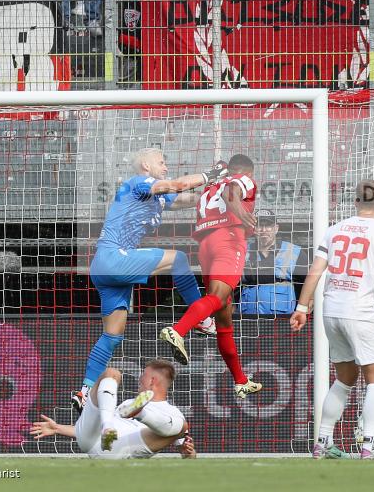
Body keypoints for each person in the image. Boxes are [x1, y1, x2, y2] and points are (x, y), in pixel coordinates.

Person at [73, 149, 227, 412]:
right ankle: (201, 317)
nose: (166, 166)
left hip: (105, 268)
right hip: (115, 258)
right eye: (162, 162)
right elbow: (177, 184)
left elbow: (184, 198)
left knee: (112, 336)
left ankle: (84, 390)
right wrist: (209, 173)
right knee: (178, 259)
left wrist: (216, 191)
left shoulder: (158, 196)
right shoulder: (138, 182)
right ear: (146, 165)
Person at [290, 179, 374, 460]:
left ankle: (322, 442)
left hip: (332, 311)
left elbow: (315, 270)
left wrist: (302, 307)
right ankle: (368, 446)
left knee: (344, 379)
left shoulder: (335, 230)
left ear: (355, 201)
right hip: (361, 312)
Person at [159, 154, 263, 399]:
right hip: (229, 240)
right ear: (247, 170)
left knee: (223, 320)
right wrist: (243, 213)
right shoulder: (243, 178)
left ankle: (240, 380)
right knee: (217, 298)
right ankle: (179, 330)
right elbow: (233, 193)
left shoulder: (210, 187)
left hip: (206, 245)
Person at [32, 361, 196, 459]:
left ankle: (141, 414)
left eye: (143, 375)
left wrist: (188, 453)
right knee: (111, 373)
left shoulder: (173, 414)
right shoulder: (129, 402)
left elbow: (189, 454)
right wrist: (57, 428)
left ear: (152, 381)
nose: (139, 378)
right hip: (94, 439)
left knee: (181, 427)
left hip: (120, 450)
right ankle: (108, 426)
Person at [240, 209, 306, 315]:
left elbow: (310, 283)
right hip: (248, 317)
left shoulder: (293, 251)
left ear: (276, 228)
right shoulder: (243, 251)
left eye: (268, 225)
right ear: (253, 229)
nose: (264, 230)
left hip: (282, 320)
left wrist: (303, 309)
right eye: (259, 225)